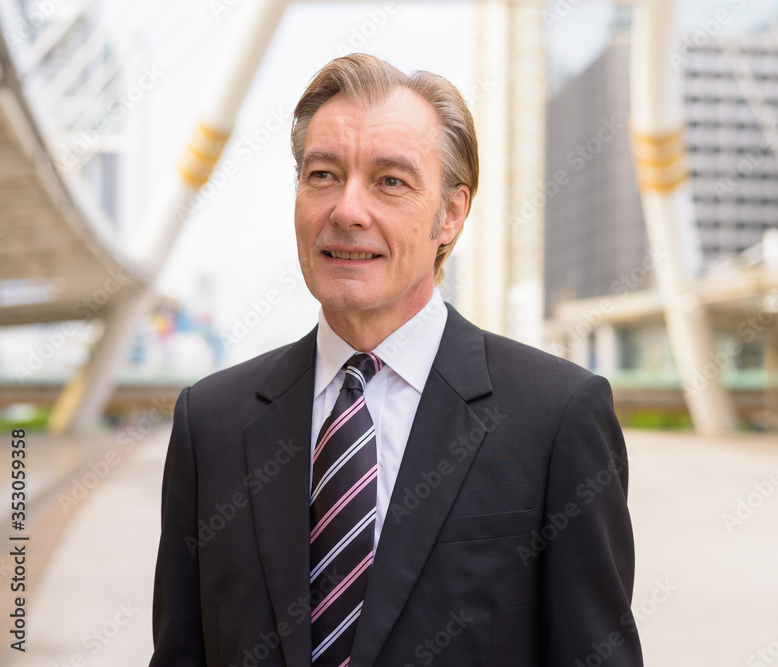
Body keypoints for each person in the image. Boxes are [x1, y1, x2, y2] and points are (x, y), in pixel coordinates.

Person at [149, 53, 642, 667]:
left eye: (390, 181)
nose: (347, 210)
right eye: (323, 175)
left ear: (450, 214)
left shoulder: (556, 419)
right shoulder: (211, 424)